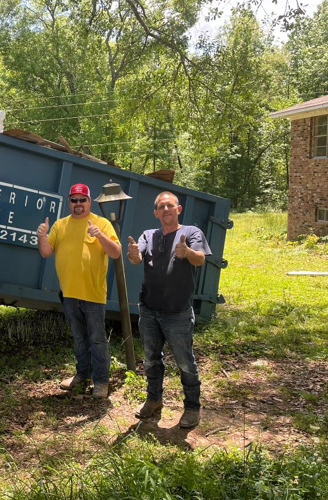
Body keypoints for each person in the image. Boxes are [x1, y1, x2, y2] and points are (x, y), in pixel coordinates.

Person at [126, 191, 211, 428]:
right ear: (156, 212)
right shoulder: (148, 235)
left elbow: (200, 259)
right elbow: (136, 257)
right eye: (161, 207)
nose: (166, 210)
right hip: (150, 309)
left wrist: (188, 252)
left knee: (185, 362)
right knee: (152, 359)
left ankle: (192, 408)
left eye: (170, 206)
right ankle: (154, 400)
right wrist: (133, 254)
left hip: (177, 312)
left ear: (178, 209)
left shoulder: (191, 233)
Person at [36, 183, 121, 399]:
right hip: (69, 293)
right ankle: (82, 374)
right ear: (69, 202)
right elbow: (46, 252)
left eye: (82, 200)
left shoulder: (101, 223)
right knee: (79, 338)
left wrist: (100, 235)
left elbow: (116, 253)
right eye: (74, 200)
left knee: (97, 339)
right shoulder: (61, 225)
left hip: (93, 294)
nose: (78, 204)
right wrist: (42, 236)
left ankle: (101, 381)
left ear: (89, 202)